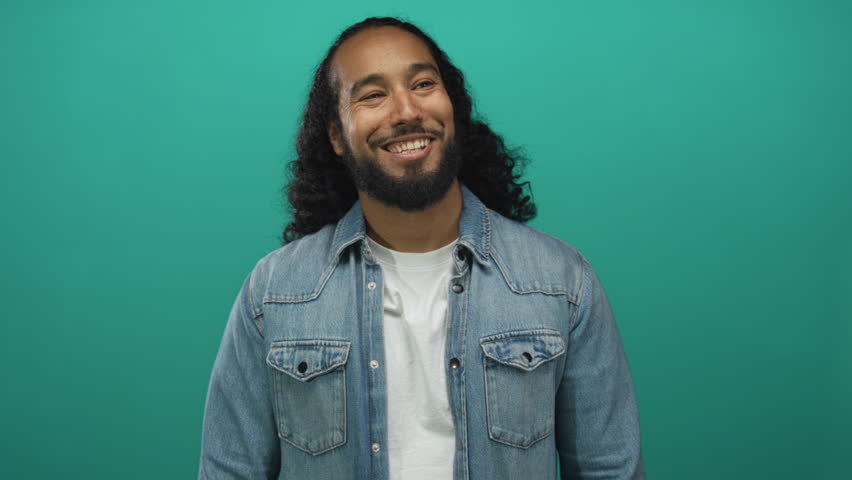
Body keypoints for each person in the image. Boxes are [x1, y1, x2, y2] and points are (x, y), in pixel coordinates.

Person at [198, 16, 643, 480]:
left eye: (423, 84)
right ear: (335, 134)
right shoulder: (274, 293)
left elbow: (608, 469)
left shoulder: (561, 281)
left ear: (453, 105)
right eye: (373, 95)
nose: (406, 110)